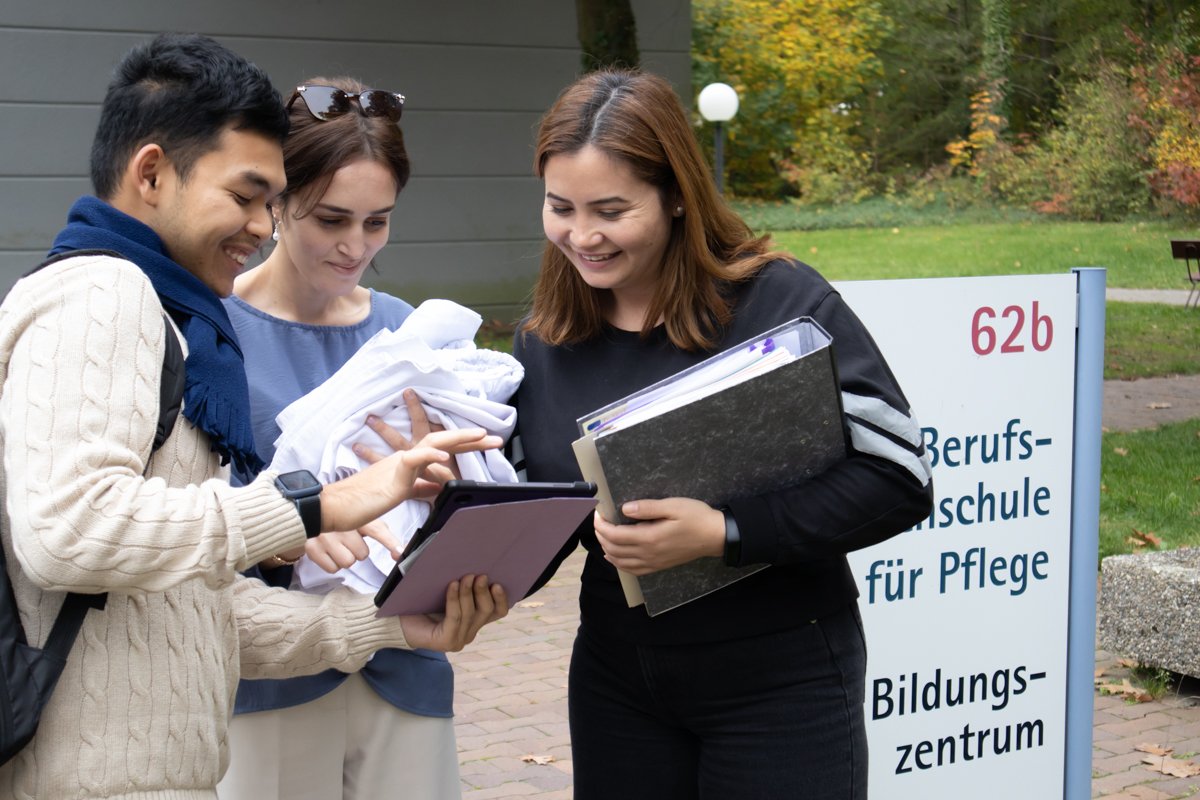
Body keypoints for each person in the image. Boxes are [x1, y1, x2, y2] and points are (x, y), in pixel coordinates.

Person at [0, 34, 507, 798]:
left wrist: (390, 627)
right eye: (245, 197)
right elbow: (71, 531)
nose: (263, 225)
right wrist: (314, 506)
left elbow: (196, 611)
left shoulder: (173, 317)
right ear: (150, 172)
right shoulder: (109, 293)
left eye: (272, 202)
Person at [511, 69, 934, 800]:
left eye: (612, 210)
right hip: (617, 677)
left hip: (780, 675)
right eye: (560, 207)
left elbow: (899, 477)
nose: (581, 236)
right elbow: (534, 511)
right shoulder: (543, 338)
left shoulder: (782, 302)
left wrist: (724, 531)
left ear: (677, 194)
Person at [216, 76, 464, 799]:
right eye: (331, 219)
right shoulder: (213, 331)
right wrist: (284, 526)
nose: (356, 246)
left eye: (378, 222)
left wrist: (451, 495)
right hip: (266, 680)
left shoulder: (408, 331)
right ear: (277, 200)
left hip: (405, 670)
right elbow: (178, 508)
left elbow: (461, 494)